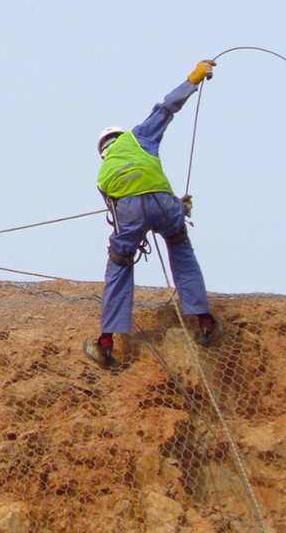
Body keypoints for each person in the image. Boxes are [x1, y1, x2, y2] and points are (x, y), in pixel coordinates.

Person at [85, 60, 226, 368]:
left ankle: (106, 342)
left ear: (102, 150)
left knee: (120, 266)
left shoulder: (102, 174)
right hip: (165, 204)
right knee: (180, 249)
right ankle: (205, 321)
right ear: (120, 137)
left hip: (130, 211)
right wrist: (194, 78)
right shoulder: (138, 137)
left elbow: (119, 214)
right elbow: (166, 108)